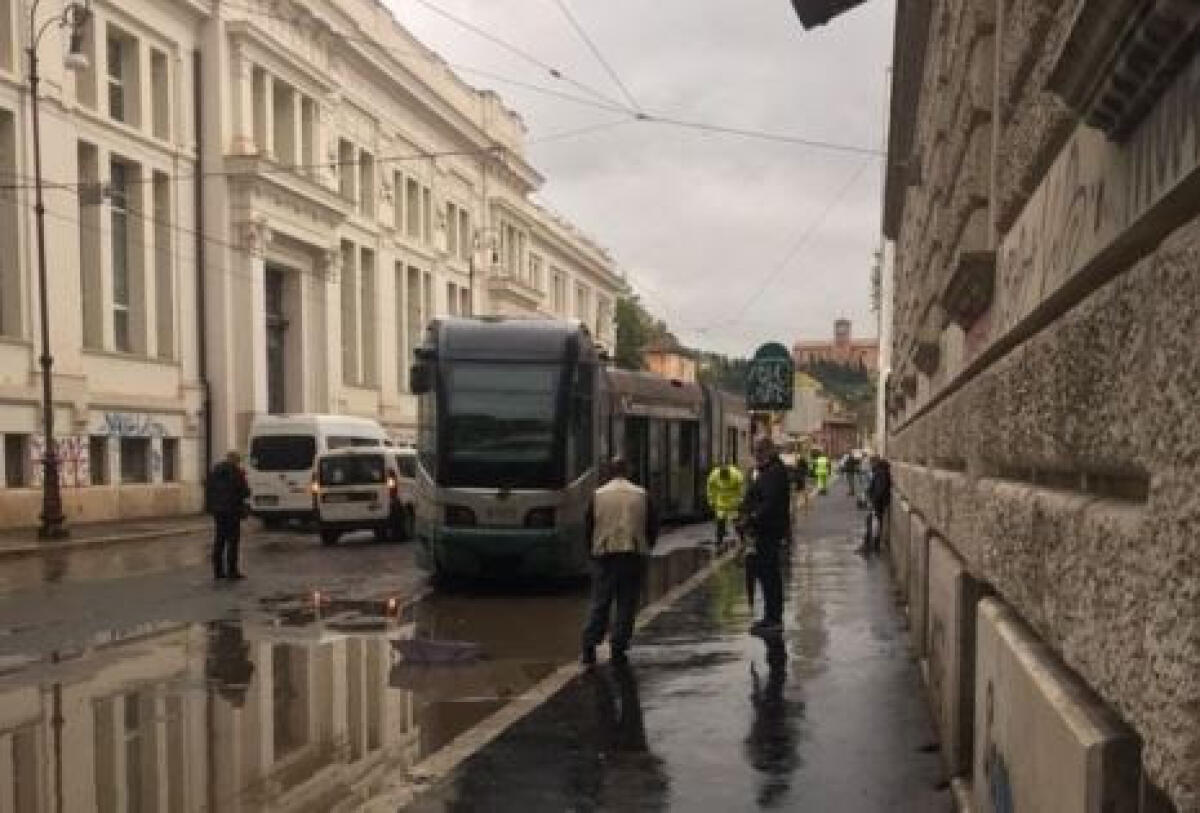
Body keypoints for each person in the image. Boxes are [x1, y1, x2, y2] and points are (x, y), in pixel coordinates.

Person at [581, 458, 659, 666]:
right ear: (629, 470)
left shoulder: (597, 495)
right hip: (633, 554)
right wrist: (646, 547)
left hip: (604, 554)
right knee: (627, 603)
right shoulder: (642, 494)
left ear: (609, 472)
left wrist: (591, 550)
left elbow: (588, 525)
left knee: (600, 602)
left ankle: (589, 646)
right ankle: (618, 645)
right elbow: (652, 526)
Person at [741, 437, 790, 635]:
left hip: (768, 531)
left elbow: (768, 504)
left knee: (769, 575)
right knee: (767, 575)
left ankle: (773, 619)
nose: (757, 455)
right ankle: (771, 617)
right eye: (755, 451)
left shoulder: (773, 473)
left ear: (769, 451)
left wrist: (751, 518)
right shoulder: (769, 471)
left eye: (760, 450)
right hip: (766, 530)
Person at [206, 451, 250, 580]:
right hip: (232, 511)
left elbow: (209, 490)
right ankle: (232, 571)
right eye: (238, 460)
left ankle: (218, 571)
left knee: (219, 540)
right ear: (236, 460)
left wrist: (211, 507)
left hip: (218, 511)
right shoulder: (237, 473)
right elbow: (245, 492)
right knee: (233, 541)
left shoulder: (215, 472)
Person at [706, 460, 745, 546]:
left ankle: (742, 538)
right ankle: (719, 540)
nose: (724, 479)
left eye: (726, 476)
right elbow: (710, 488)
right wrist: (711, 500)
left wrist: (741, 499)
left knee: (736, 522)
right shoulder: (714, 475)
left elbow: (742, 488)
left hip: (733, 504)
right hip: (721, 503)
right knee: (720, 523)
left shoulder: (736, 475)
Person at [865, 457, 892, 554]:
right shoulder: (880, 471)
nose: (870, 465)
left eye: (871, 463)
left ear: (875, 463)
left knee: (873, 523)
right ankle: (871, 544)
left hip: (877, 503)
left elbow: (879, 489)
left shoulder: (880, 473)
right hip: (878, 502)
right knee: (873, 522)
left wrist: (873, 501)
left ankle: (873, 545)